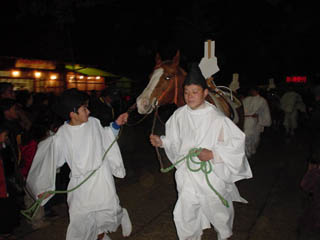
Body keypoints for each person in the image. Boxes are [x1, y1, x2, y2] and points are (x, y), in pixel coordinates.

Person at [149, 64, 252, 240]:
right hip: (187, 175)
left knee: (219, 211)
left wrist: (213, 154)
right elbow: (174, 140)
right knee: (185, 213)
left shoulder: (217, 118)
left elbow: (236, 144)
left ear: (205, 93)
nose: (189, 96)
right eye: (186, 92)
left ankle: (224, 235)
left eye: (195, 92)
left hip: (211, 175)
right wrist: (162, 142)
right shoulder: (179, 115)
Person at [26, 89, 132, 240]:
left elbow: (106, 137)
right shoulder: (62, 134)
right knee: (80, 220)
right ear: (72, 114)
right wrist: (45, 187)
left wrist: (116, 124)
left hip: (101, 178)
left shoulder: (94, 123)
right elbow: (50, 162)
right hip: (79, 183)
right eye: (84, 109)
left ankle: (120, 216)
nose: (88, 111)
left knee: (107, 213)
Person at [0, 122, 20, 240]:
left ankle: (6, 231)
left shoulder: (4, 146)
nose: (6, 137)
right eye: (4, 135)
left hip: (6, 182)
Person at [242, 86, 272, 158]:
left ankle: (252, 150)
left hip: (255, 121)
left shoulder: (262, 100)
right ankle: (247, 153)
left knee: (254, 138)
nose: (251, 92)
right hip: (246, 121)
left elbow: (265, 112)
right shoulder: (246, 99)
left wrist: (261, 119)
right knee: (246, 137)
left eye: (253, 90)